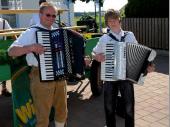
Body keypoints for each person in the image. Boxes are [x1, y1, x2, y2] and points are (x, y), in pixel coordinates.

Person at [92, 9, 155, 127]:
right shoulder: (104, 38)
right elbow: (94, 53)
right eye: (109, 21)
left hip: (127, 77)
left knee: (129, 109)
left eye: (115, 19)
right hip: (110, 78)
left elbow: (140, 55)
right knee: (109, 108)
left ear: (119, 20)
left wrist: (148, 67)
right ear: (107, 23)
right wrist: (97, 57)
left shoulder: (129, 35)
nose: (112, 22)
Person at [8, 3, 67, 127]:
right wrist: (31, 47)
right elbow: (11, 51)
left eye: (54, 16)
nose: (51, 18)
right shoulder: (32, 32)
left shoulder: (58, 31)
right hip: (40, 76)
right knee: (42, 116)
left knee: (62, 111)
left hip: (60, 75)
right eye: (48, 15)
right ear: (40, 15)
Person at [0, 18, 17, 97]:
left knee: (4, 67)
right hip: (2, 50)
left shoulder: (3, 21)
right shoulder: (3, 21)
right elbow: (13, 35)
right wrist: (17, 42)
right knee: (4, 67)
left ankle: (4, 88)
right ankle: (4, 88)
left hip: (2, 50)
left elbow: (12, 34)